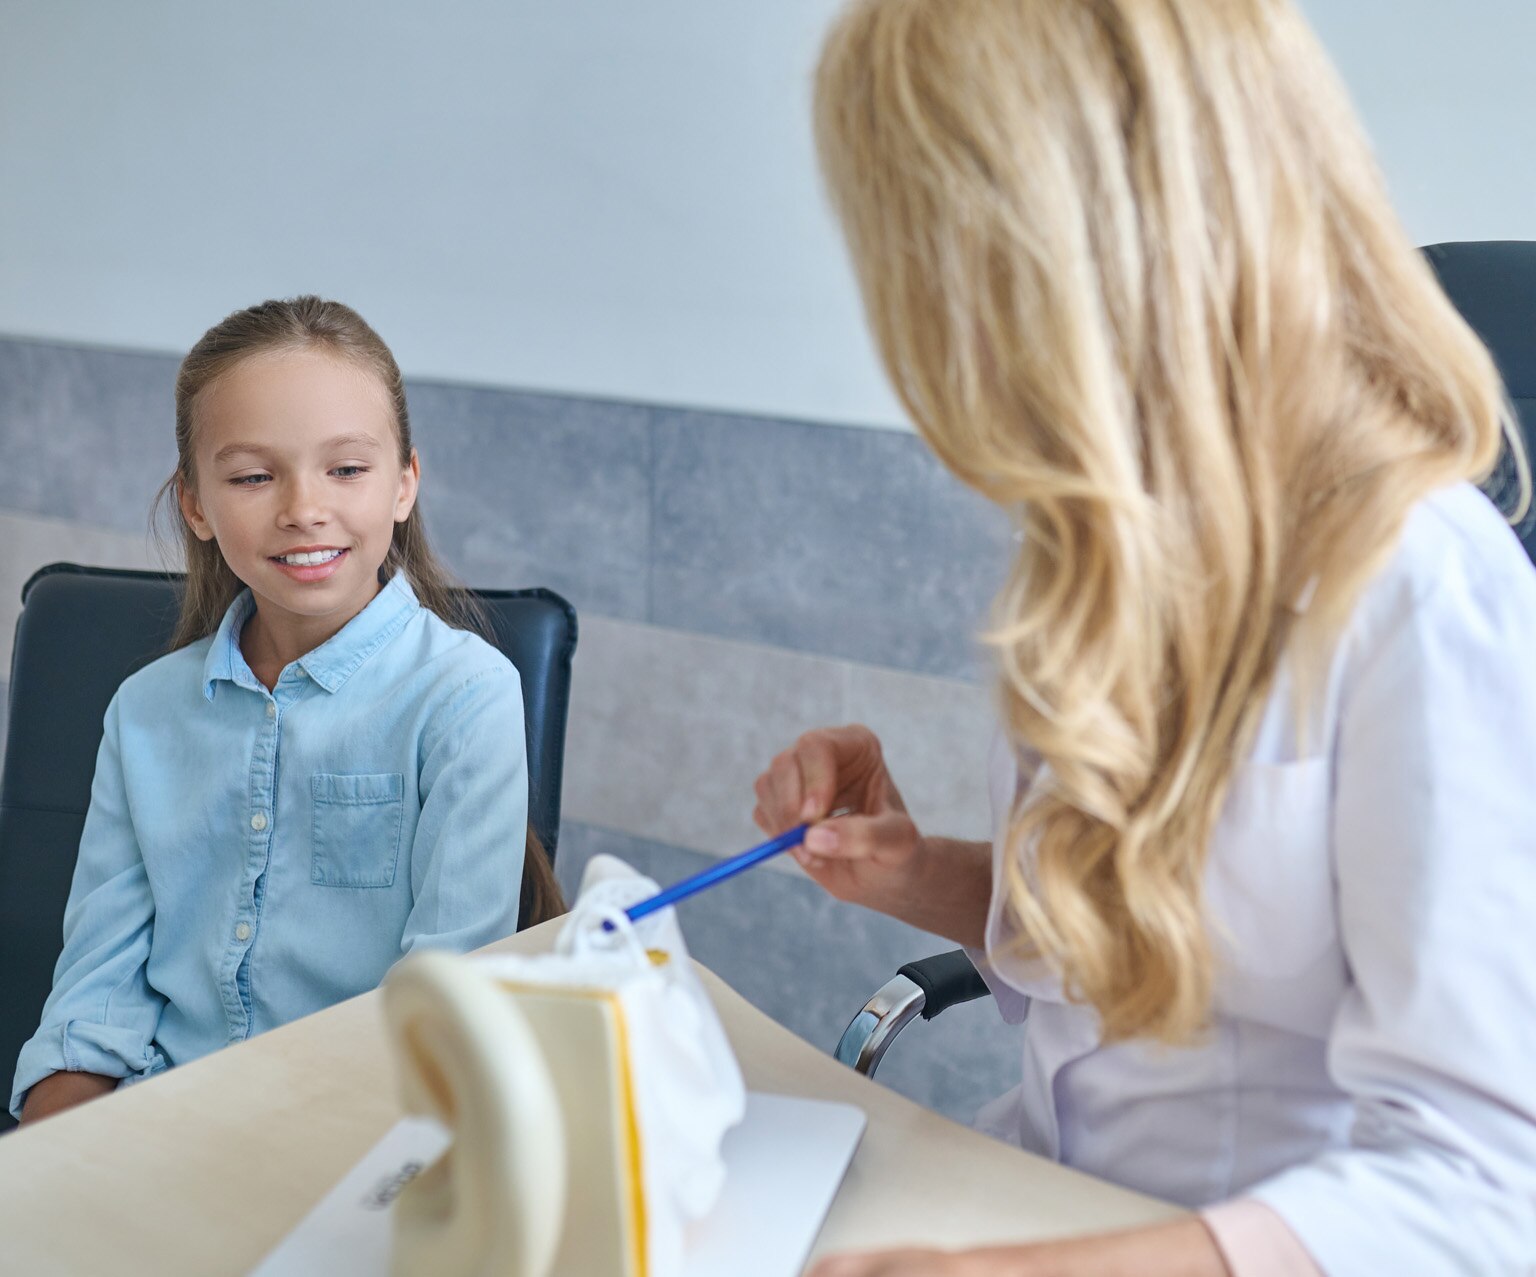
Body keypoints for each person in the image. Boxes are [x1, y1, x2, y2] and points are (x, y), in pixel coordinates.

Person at [754, 1, 1536, 1273]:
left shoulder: (1419, 586)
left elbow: (1481, 1186)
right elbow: (1115, 977)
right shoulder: (1094, 543)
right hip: (1036, 1201)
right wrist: (911, 870)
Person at [11, 296, 562, 1126]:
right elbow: (95, 1002)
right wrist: (49, 1168)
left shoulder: (464, 695)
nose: (304, 507)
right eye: (252, 476)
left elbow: (442, 1015)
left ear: (405, 482)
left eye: (346, 469)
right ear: (196, 504)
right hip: (153, 1131)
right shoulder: (144, 713)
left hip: (358, 1137)